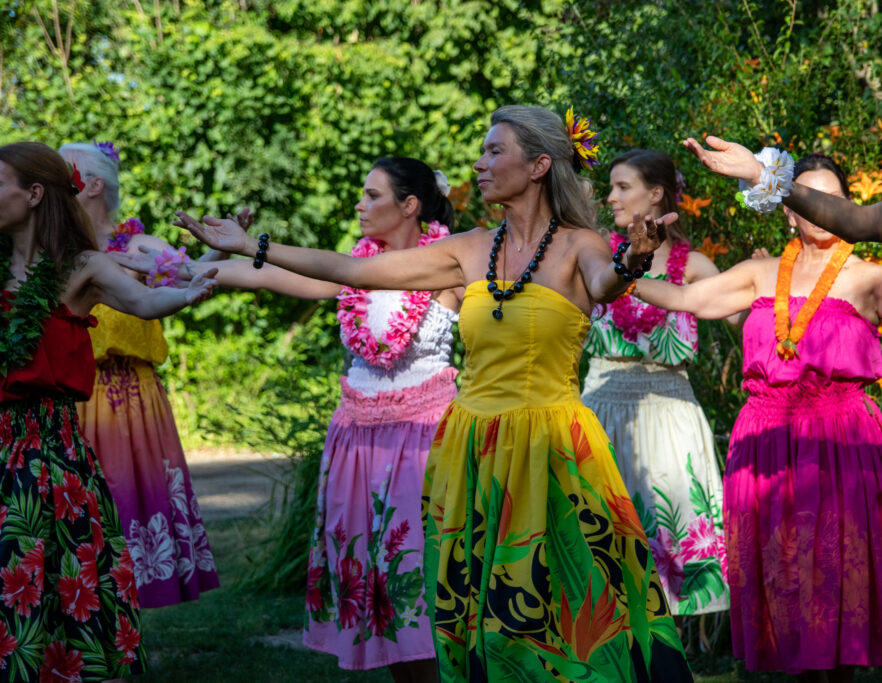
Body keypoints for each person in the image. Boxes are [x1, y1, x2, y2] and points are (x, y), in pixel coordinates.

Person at [174, 105, 692, 682]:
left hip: (551, 447)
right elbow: (352, 270)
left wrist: (635, 255)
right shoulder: (469, 249)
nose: (480, 163)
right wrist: (252, 245)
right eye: (484, 150)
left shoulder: (581, 246)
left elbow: (606, 282)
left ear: (540, 165)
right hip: (472, 448)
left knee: (571, 602)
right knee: (477, 612)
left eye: (496, 151)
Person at [635, 153, 882, 680]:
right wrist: (623, 271)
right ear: (788, 211)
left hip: (841, 440)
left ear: (846, 209)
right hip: (765, 444)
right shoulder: (759, 274)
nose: (821, 211)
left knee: (837, 580)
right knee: (787, 584)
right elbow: (687, 298)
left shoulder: (866, 277)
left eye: (833, 200)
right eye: (809, 199)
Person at [118, 157, 460, 682]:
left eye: (372, 195)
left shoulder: (448, 267)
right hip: (358, 440)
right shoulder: (354, 268)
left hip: (424, 439)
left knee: (422, 574)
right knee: (378, 586)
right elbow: (266, 276)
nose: (359, 204)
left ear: (410, 205)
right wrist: (195, 265)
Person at [0, 141, 216, 680]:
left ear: (32, 193)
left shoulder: (81, 267)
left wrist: (193, 290)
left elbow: (144, 302)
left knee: (50, 585)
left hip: (49, 454)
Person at [57, 141, 221, 608]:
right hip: (77, 394)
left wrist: (219, 253)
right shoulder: (61, 249)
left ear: (92, 185)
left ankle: (123, 618)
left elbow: (187, 274)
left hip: (132, 396)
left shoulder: (137, 245)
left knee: (130, 500)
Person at [582, 149, 729, 619]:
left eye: (623, 186)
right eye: (611, 187)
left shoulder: (695, 266)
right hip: (601, 411)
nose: (611, 197)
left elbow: (749, 319)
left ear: (656, 193)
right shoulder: (597, 258)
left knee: (671, 543)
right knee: (600, 551)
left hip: (670, 417)